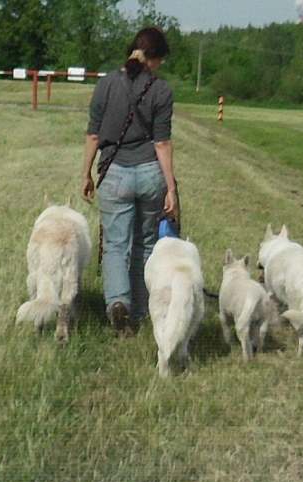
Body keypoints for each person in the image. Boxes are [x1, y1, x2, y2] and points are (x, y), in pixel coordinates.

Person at [81, 27, 178, 336]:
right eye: (161, 59)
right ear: (155, 58)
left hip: (113, 173)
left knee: (115, 245)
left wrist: (85, 172)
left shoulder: (106, 85)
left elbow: (94, 135)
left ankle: (117, 304)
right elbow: (162, 144)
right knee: (146, 244)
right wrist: (171, 188)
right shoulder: (162, 91)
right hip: (150, 173)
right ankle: (139, 310)